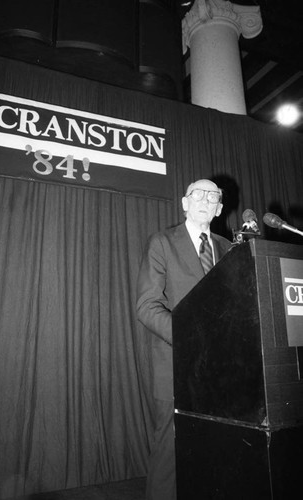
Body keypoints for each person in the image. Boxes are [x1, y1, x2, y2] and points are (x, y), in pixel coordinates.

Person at [136, 178, 232, 500]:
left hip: (222, 372)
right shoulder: (162, 243)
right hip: (176, 368)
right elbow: (147, 307)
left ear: (219, 208)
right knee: (169, 459)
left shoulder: (231, 249)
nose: (205, 199)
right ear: (184, 203)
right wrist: (192, 341)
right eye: (198, 194)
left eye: (213, 196)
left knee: (212, 456)